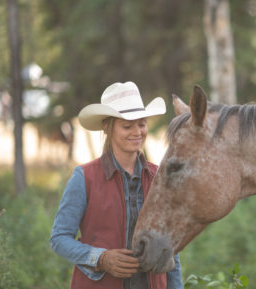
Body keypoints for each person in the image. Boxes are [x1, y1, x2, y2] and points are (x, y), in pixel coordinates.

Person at [50, 81, 183, 289]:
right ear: (107, 127)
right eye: (127, 125)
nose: (137, 132)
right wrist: (100, 258)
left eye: (142, 124)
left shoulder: (159, 177)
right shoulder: (84, 177)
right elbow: (59, 239)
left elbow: (170, 248)